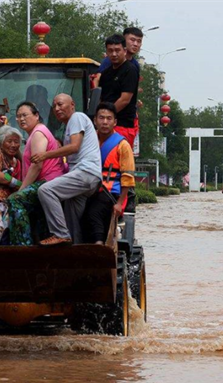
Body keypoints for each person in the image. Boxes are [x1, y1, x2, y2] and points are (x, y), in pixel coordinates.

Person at [32, 94, 102, 245]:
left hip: (85, 173)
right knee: (71, 217)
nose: (57, 109)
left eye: (60, 104)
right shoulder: (69, 126)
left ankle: (59, 233)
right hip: (88, 178)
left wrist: (45, 155)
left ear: (72, 104)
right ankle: (74, 249)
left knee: (45, 191)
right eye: (54, 106)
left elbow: (74, 147)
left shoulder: (77, 117)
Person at [7, 102, 65, 246]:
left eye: (25, 115)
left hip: (48, 180)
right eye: (18, 116)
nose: (21, 119)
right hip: (43, 183)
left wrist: (22, 190)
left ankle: (22, 246)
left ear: (37, 116)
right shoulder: (33, 135)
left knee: (16, 199)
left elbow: (37, 165)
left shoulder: (39, 133)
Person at [83, 102, 135, 245]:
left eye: (109, 118)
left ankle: (99, 244)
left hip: (111, 193)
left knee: (94, 212)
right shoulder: (88, 141)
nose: (105, 122)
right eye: (101, 118)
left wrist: (119, 204)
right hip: (88, 189)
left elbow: (128, 177)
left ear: (115, 122)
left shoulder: (122, 145)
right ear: (95, 120)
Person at [98, 34, 140, 148]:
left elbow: (125, 99)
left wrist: (107, 116)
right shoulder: (106, 73)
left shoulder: (130, 70)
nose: (114, 54)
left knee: (117, 160)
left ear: (125, 51)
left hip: (123, 125)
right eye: (110, 51)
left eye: (117, 50)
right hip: (106, 125)